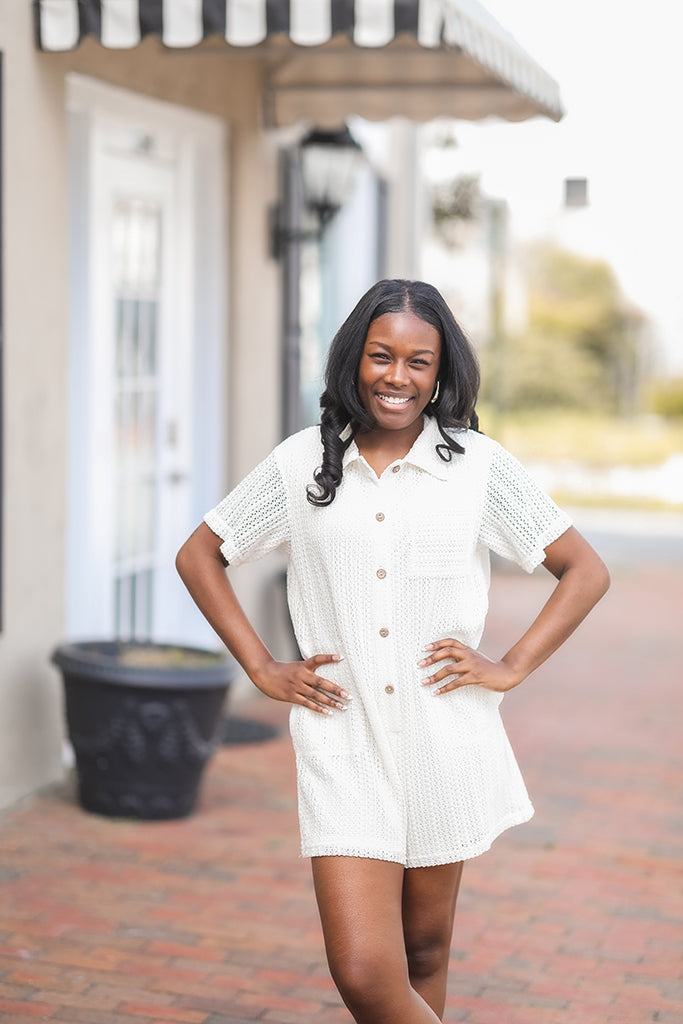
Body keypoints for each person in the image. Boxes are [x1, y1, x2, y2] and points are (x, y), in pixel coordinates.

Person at [176, 279, 610, 1024]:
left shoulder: (477, 466)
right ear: (354, 359)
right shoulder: (299, 463)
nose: (397, 377)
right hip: (341, 739)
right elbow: (200, 554)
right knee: (365, 971)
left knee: (425, 951)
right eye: (381, 356)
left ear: (439, 373)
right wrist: (260, 666)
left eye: (418, 361)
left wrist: (509, 665)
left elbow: (584, 570)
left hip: (444, 736)